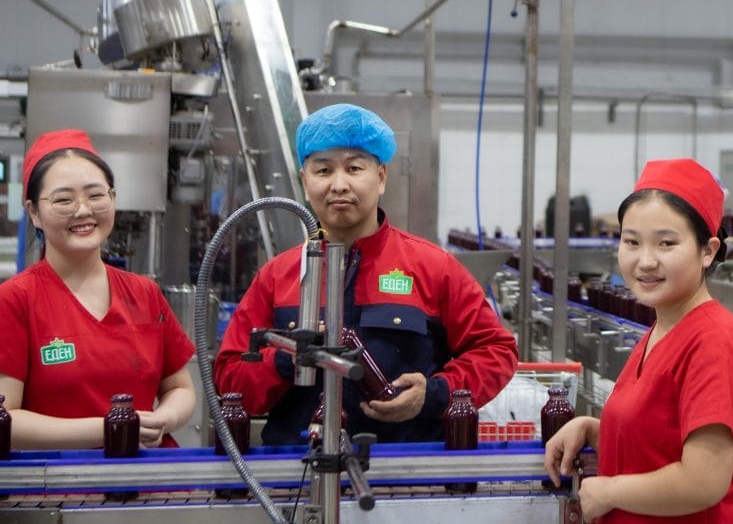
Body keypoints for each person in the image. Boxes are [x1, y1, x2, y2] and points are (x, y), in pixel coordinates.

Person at [214, 103, 518, 445]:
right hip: (296, 476)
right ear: (304, 180)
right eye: (323, 170)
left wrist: (434, 393)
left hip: (406, 472)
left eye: (354, 168)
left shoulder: (431, 267)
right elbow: (229, 380)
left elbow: (496, 350)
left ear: (382, 177)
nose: (339, 184)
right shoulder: (277, 276)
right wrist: (286, 359)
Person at [545, 158, 733, 523]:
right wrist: (592, 429)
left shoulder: (716, 342)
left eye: (666, 243)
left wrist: (610, 491)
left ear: (707, 250)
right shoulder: (660, 331)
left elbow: (703, 481)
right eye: (631, 241)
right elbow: (656, 442)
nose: (645, 261)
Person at [0, 129, 197, 449]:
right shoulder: (15, 299)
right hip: (55, 487)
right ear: (34, 212)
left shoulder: (144, 293)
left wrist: (164, 419)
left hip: (150, 481)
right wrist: (110, 429)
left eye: (95, 195)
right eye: (64, 199)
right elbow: (6, 418)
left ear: (113, 199)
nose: (83, 210)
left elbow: (181, 388)